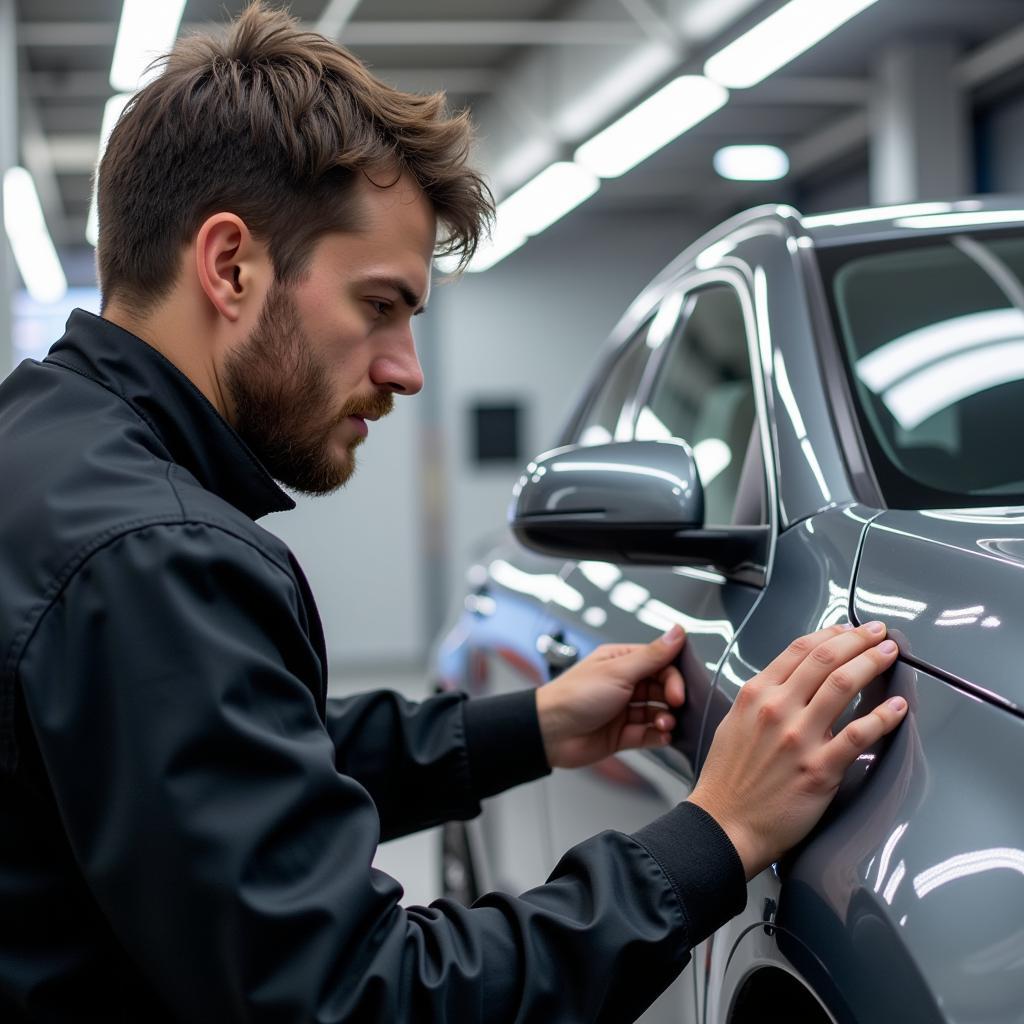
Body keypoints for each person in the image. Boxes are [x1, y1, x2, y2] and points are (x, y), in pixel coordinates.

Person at [0, 4, 907, 1021]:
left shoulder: (44, 453)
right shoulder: (154, 555)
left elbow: (210, 781)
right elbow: (362, 996)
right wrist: (716, 831)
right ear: (229, 264)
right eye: (378, 305)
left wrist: (524, 727)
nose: (405, 370)